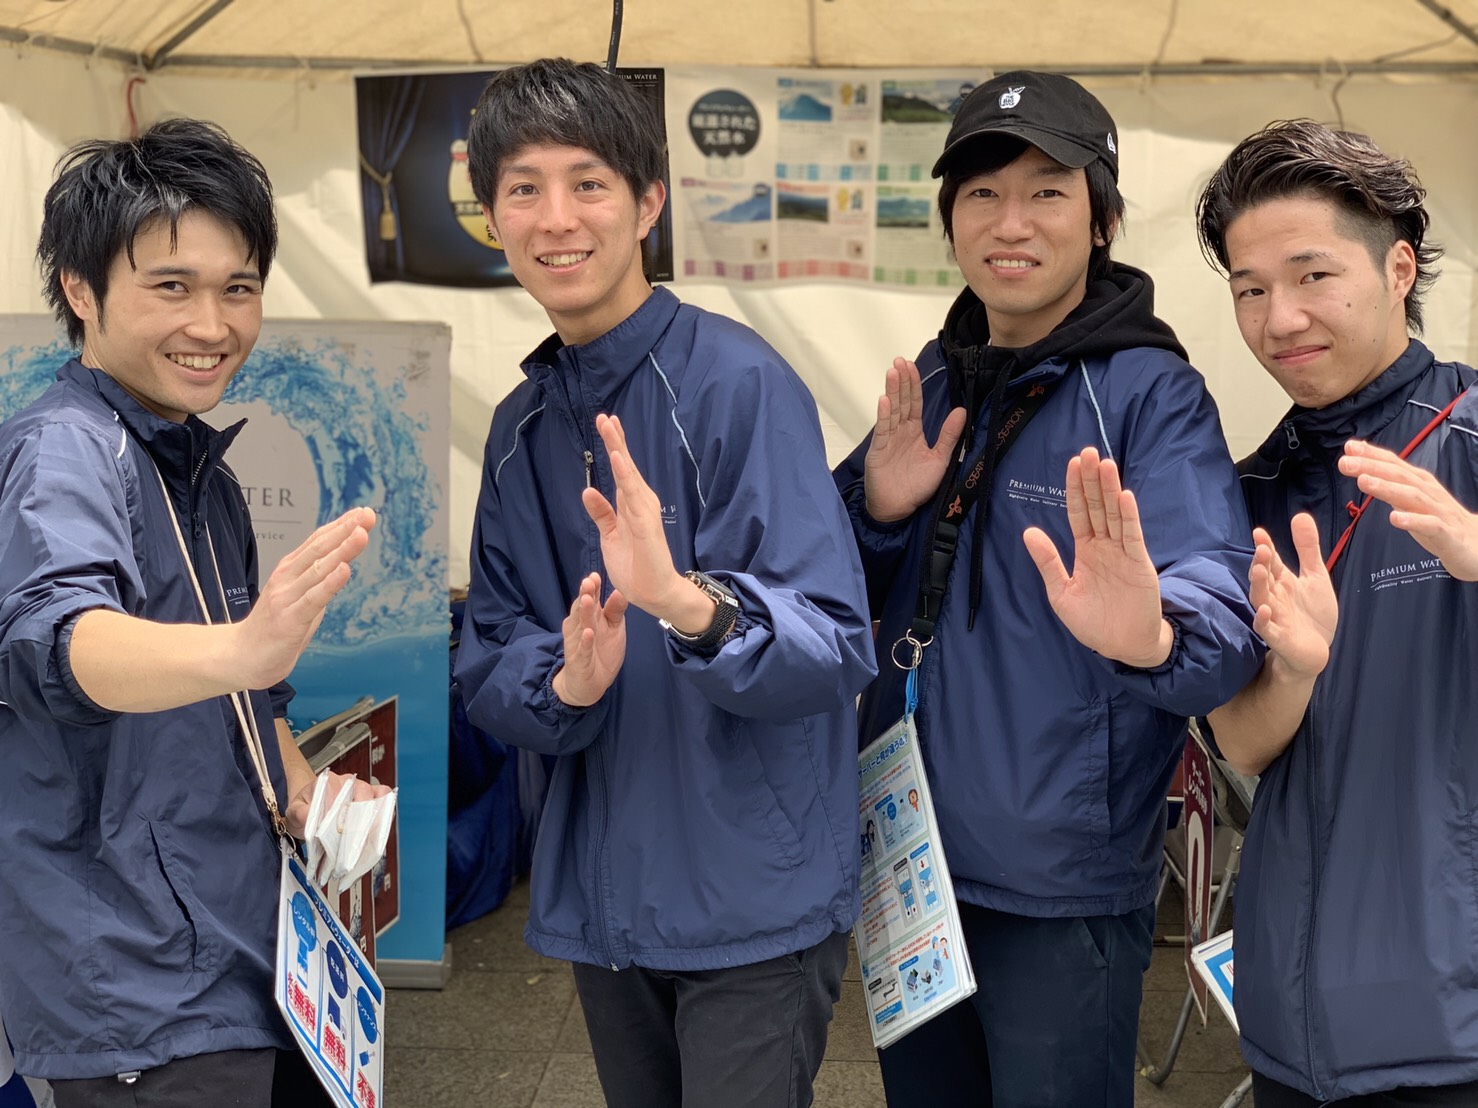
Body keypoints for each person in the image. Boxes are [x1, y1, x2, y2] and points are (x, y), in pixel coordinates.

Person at [833, 70, 1264, 1107]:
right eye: (981, 193)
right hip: (906, 857)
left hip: (1058, 878)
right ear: (949, 220)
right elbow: (828, 589)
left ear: (1102, 220)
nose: (1009, 221)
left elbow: (1219, 616)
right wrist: (878, 511)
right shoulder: (937, 377)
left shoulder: (1148, 393)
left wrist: (1152, 634)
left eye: (1046, 192)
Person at [453, 59, 876, 1108]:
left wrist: (688, 606)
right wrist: (567, 685)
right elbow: (488, 659)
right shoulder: (520, 429)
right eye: (523, 188)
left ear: (647, 205)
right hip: (605, 901)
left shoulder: (736, 382)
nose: (557, 218)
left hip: (751, 900)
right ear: (492, 218)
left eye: (588, 183)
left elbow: (834, 645)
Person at [0, 118, 381, 1107]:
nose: (212, 325)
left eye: (238, 289)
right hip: (134, 974)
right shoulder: (66, 450)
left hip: (239, 949)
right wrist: (241, 648)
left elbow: (248, 698)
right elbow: (60, 639)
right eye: (171, 287)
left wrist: (306, 795)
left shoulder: (197, 466)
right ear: (80, 290)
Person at [1197, 119, 1478, 1106]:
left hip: (1452, 1028)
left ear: (1398, 268)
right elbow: (1242, 742)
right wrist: (1294, 667)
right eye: (1249, 289)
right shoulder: (1244, 492)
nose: (1280, 318)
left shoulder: (1469, 437)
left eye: (1312, 275)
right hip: (1289, 1021)